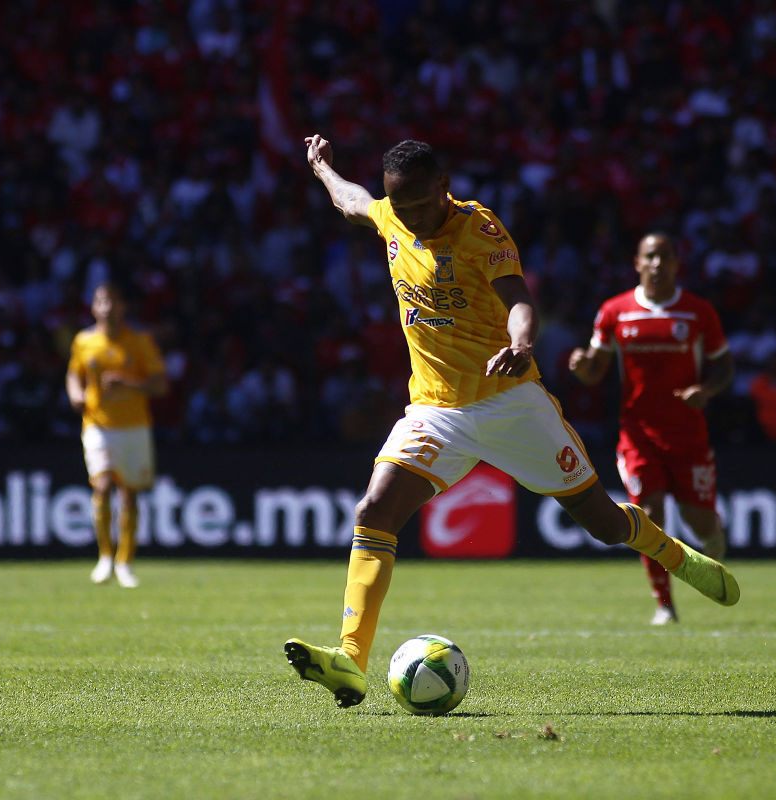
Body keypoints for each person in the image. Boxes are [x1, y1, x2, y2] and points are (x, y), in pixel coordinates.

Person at [285, 136, 739, 709]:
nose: (416, 218)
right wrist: (322, 167)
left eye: (425, 205)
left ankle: (676, 556)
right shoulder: (391, 215)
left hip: (510, 401)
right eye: (405, 209)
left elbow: (520, 299)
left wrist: (522, 342)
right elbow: (353, 201)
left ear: (445, 188)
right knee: (374, 511)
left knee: (600, 520)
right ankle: (350, 660)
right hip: (436, 409)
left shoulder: (480, 230)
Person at [569, 233, 734, 625]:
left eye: (665, 256)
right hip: (638, 435)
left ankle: (714, 544)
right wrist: (581, 366)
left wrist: (706, 390)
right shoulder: (615, 311)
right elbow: (595, 372)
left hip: (688, 435)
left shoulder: (697, 312)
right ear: (637, 263)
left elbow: (725, 365)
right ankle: (665, 605)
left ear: (677, 263)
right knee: (650, 516)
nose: (657, 264)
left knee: (701, 524)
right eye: (650, 257)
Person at [66, 283, 168, 588]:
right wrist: (75, 393)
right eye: (100, 301)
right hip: (98, 425)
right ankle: (105, 557)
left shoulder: (139, 342)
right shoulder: (84, 341)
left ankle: (125, 561)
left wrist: (128, 384)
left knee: (129, 493)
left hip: (134, 426)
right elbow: (74, 373)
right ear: (93, 307)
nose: (106, 307)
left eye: (111, 301)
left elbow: (160, 385)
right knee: (103, 486)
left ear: (123, 306)